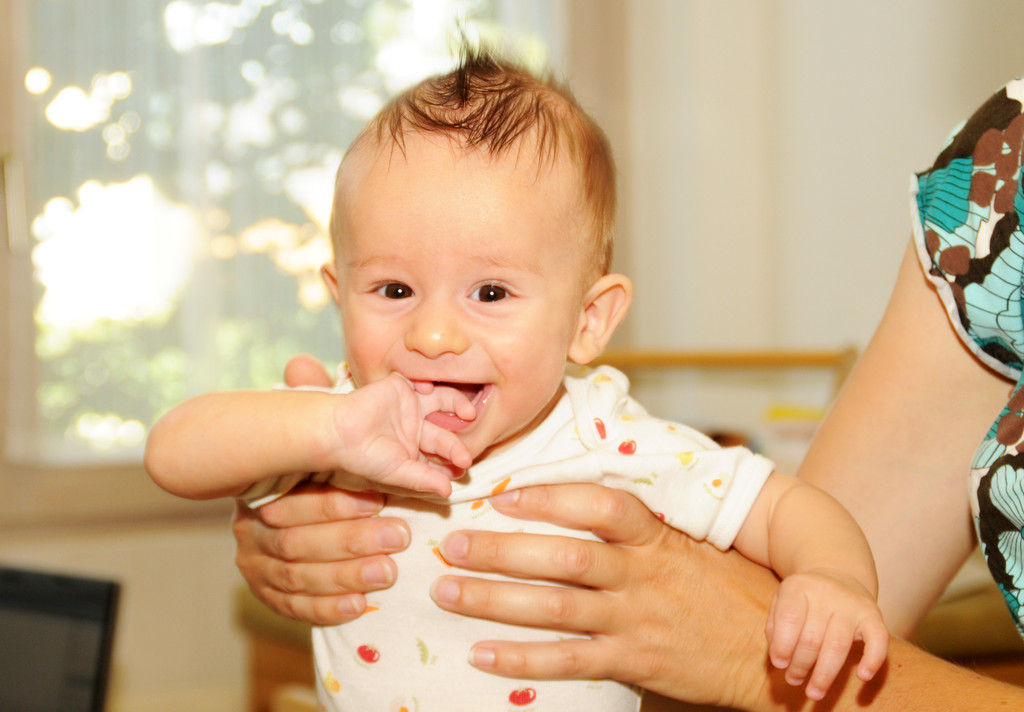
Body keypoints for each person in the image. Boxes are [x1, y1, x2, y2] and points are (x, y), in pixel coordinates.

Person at [230, 74, 1024, 710]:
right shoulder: (346, 415)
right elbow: (180, 452)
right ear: (339, 294)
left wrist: (833, 579)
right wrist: (298, 450)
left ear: (589, 321)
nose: (433, 333)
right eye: (395, 290)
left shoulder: (606, 437)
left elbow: (783, 508)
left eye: (492, 293)